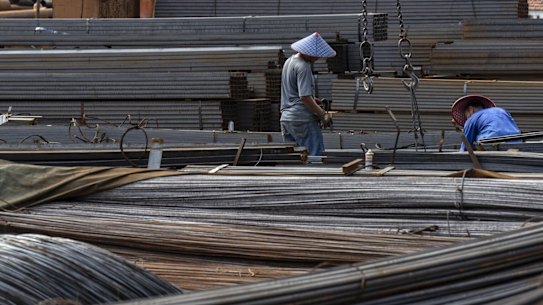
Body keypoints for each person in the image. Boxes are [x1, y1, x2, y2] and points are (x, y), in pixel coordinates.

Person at [280, 32, 335, 156]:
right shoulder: (303, 66)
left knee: (294, 159)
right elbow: (304, 97)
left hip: (286, 119)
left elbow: (294, 91)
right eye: (316, 55)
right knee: (313, 156)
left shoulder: (289, 61)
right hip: (302, 119)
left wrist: (313, 99)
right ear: (308, 52)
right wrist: (322, 114)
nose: (317, 58)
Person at [451, 94, 521, 151]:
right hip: (517, 141)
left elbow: (466, 145)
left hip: (490, 142)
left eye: (465, 114)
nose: (466, 118)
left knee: (476, 143)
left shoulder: (472, 119)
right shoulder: (501, 110)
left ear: (470, 109)